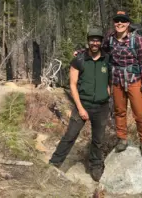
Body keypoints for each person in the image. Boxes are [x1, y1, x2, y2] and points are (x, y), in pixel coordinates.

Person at [49, 27, 111, 181]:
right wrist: (81, 108)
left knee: (98, 139)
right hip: (82, 104)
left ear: (101, 41)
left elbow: (110, 81)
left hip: (102, 106)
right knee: (70, 135)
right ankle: (54, 164)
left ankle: (96, 167)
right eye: (92, 39)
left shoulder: (107, 59)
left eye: (97, 40)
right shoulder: (79, 60)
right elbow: (73, 85)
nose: (95, 42)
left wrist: (107, 95)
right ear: (88, 41)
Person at [102, 10, 142, 157]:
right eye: (117, 20)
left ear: (128, 24)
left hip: (134, 81)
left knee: (140, 114)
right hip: (117, 81)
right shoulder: (110, 40)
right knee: (119, 112)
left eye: (123, 21)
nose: (119, 23)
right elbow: (98, 50)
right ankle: (122, 139)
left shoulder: (137, 40)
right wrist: (81, 51)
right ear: (114, 23)